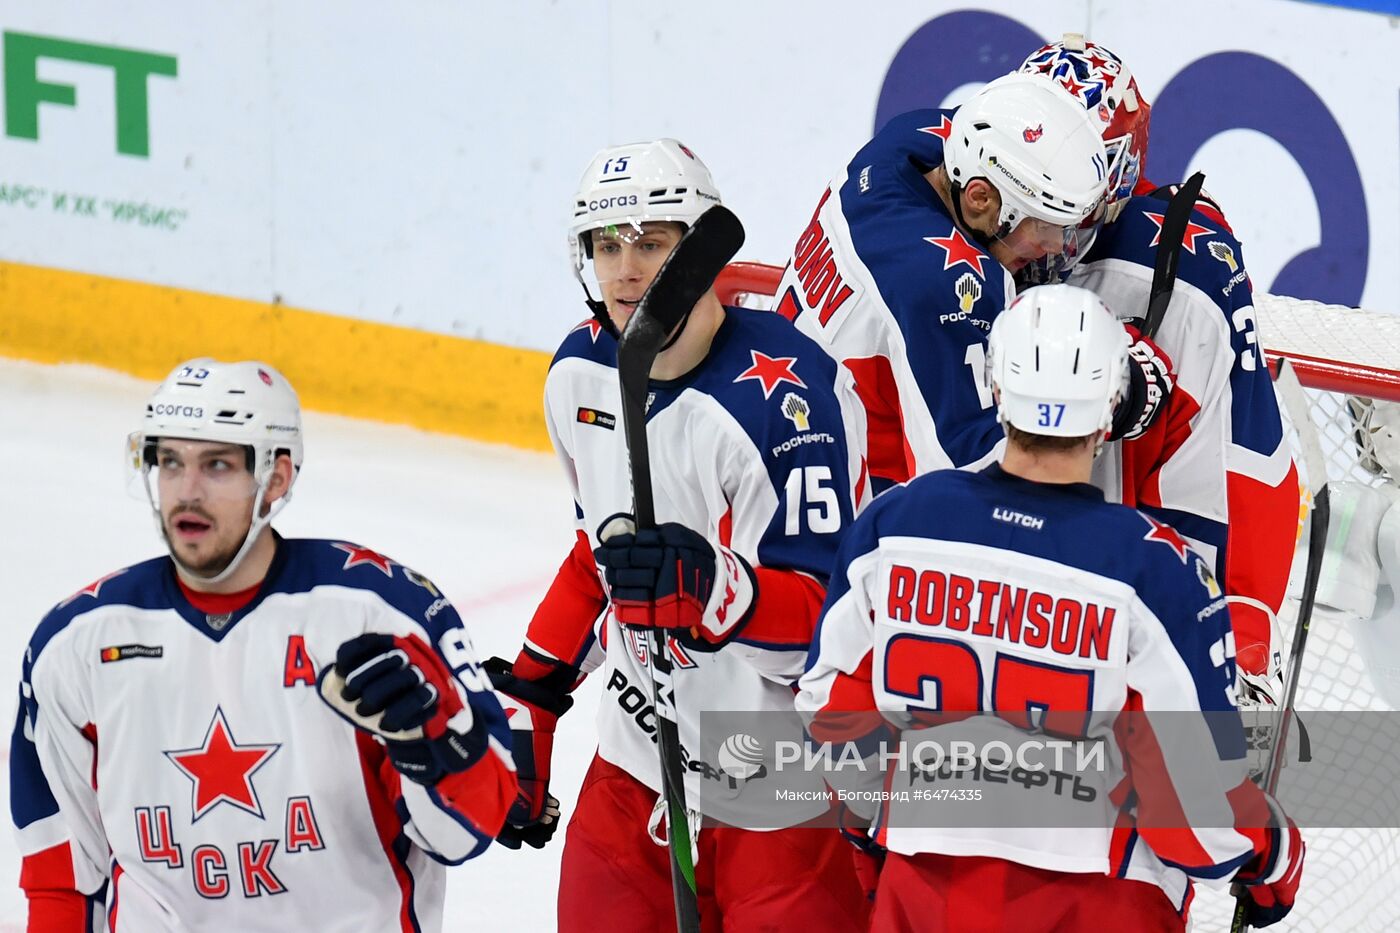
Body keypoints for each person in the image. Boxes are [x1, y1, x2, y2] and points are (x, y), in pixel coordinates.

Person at [797, 284, 1305, 931]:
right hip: (1099, 903)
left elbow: (828, 708)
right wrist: (1270, 852)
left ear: (994, 387)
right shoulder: (1155, 569)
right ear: (1112, 406)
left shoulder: (895, 524)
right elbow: (1191, 809)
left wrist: (893, 818)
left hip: (924, 893)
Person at [484, 138, 870, 930]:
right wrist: (533, 692)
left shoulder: (789, 405)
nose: (625, 270)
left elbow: (828, 635)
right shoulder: (577, 375)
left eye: (652, 241)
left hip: (774, 787)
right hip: (632, 768)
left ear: (698, 250)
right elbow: (600, 554)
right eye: (605, 245)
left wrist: (713, 589)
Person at [10, 360, 516, 932]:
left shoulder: (376, 615)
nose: (186, 492)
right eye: (169, 462)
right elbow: (62, 882)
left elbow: (468, 833)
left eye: (217, 465)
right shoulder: (76, 647)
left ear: (275, 480)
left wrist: (428, 748)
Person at [1018, 34, 1301, 728]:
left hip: (1120, 630)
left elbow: (1241, 462)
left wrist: (1235, 645)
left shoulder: (1183, 273)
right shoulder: (982, 218)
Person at [771, 70, 1176, 492]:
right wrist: (1111, 390)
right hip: (837, 509)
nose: (1057, 245)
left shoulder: (917, 138)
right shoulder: (947, 281)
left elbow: (1027, 141)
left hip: (792, 429)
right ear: (980, 197)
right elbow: (978, 484)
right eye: (1044, 225)